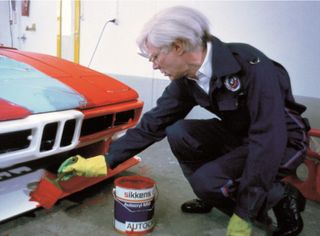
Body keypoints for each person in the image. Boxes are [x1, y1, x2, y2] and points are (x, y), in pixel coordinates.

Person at [58, 6, 310, 236]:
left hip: (283, 139)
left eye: (155, 57)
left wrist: (243, 211)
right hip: (242, 135)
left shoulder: (250, 65)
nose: (154, 66)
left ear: (178, 46)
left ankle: (281, 196)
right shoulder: (187, 80)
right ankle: (212, 194)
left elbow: (267, 139)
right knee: (179, 131)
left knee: (209, 181)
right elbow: (153, 124)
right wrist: (104, 161)